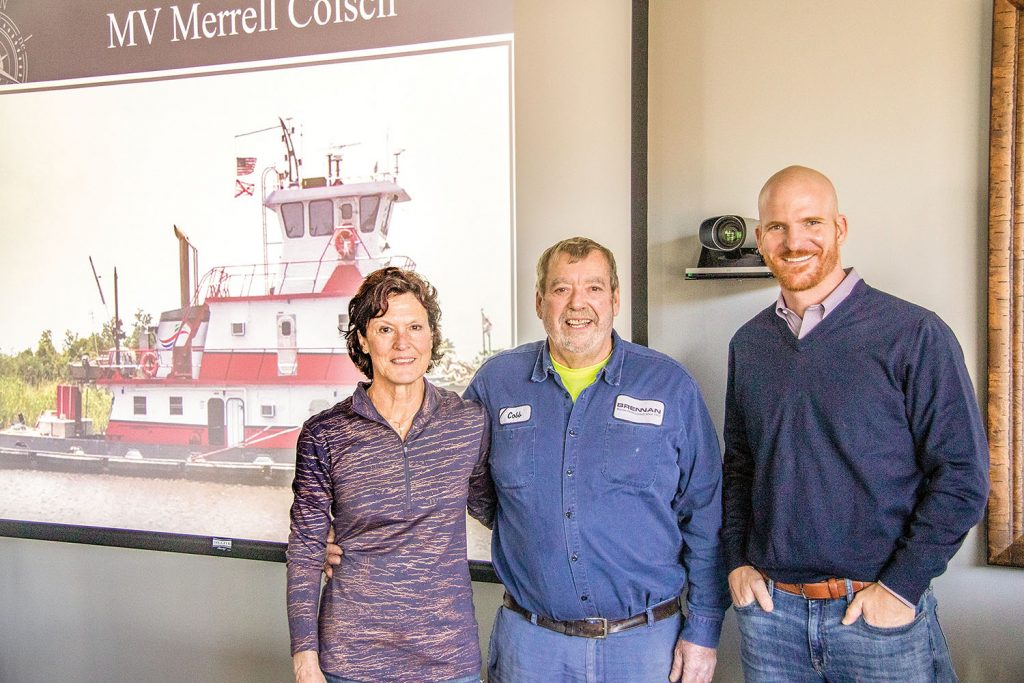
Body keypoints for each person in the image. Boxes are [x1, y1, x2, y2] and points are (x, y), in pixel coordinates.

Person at [722, 166, 989, 682]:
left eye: (811, 222)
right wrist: (736, 561)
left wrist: (900, 588)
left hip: (875, 616)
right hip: (772, 621)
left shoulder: (914, 334)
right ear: (760, 238)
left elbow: (963, 477)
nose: (794, 240)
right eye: (777, 226)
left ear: (840, 228)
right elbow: (739, 467)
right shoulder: (749, 345)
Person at [286, 267, 493, 683]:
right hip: (351, 661)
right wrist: (304, 658)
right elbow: (306, 549)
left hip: (448, 660)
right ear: (362, 338)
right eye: (385, 329)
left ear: (431, 336)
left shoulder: (469, 423)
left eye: (415, 327)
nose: (403, 343)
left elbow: (500, 509)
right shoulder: (325, 433)